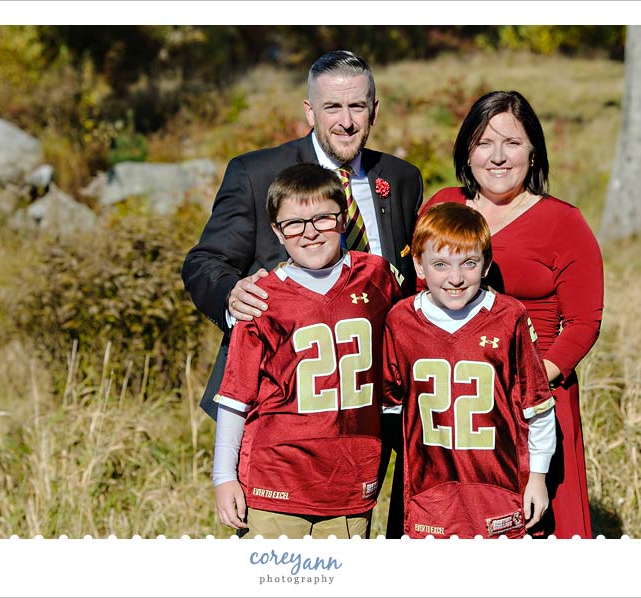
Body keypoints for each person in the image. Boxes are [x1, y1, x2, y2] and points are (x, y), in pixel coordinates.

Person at [182, 50, 422, 538]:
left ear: (375, 110)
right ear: (310, 111)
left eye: (358, 107)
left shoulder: (400, 178)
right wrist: (232, 296)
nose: (347, 121)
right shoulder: (256, 173)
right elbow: (204, 262)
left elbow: (407, 278)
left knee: (363, 529)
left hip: (374, 399)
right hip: (285, 406)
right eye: (333, 107)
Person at [423, 90, 604, 538]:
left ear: (533, 150)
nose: (498, 157)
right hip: (455, 397)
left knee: (531, 529)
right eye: (484, 142)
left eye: (513, 142)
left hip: (535, 396)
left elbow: (584, 322)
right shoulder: (445, 206)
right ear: (468, 149)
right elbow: (416, 293)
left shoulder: (563, 221)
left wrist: (530, 382)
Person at [212, 164, 403, 538]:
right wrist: (223, 476)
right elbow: (236, 397)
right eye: (294, 223)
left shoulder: (376, 276)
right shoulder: (262, 296)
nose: (310, 232)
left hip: (350, 480)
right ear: (276, 232)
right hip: (276, 483)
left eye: (323, 218)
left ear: (344, 218)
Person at [382, 202, 556, 538]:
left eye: (469, 263)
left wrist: (538, 476)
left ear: (486, 263)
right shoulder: (401, 320)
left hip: (498, 488)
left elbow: (537, 407)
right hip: (429, 493)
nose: (456, 278)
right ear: (419, 264)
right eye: (441, 264)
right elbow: (389, 411)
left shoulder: (509, 317)